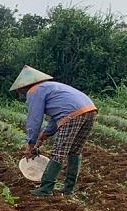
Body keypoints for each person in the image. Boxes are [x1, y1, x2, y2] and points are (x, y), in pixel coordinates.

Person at [10, 65, 97, 197]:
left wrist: (30, 144)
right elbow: (55, 119)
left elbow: (34, 119)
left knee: (59, 152)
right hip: (90, 110)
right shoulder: (51, 87)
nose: (21, 93)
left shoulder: (34, 91)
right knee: (75, 151)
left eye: (20, 91)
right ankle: (68, 189)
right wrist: (42, 138)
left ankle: (46, 188)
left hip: (72, 115)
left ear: (23, 87)